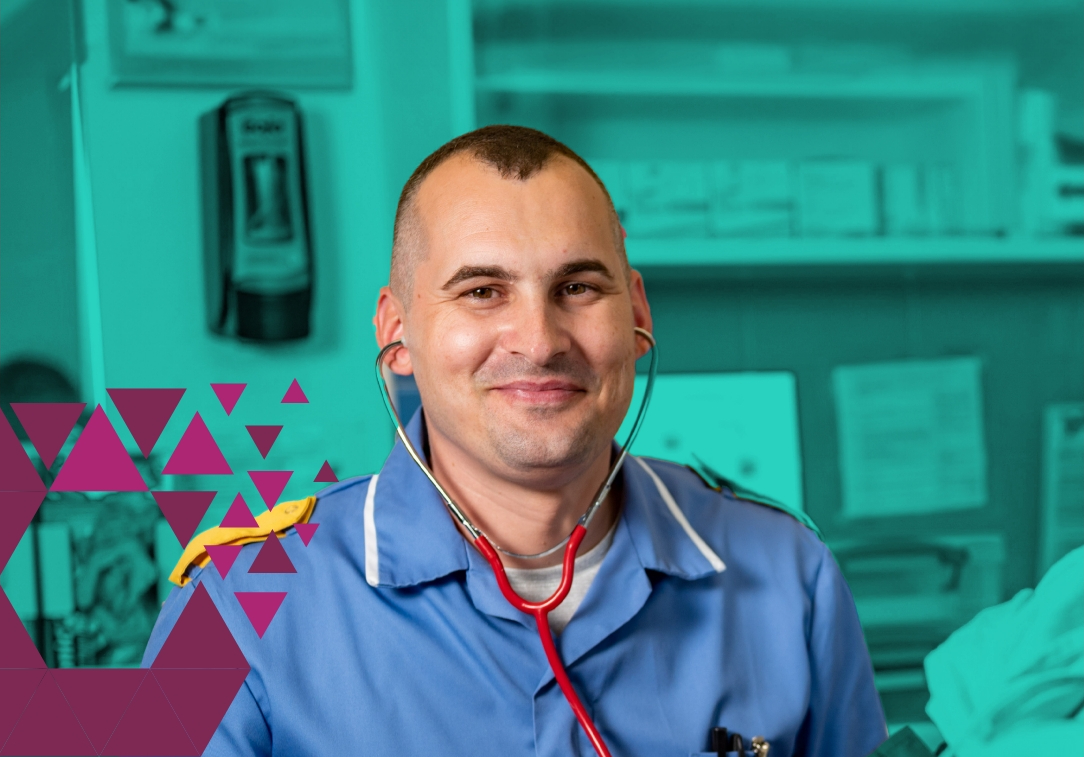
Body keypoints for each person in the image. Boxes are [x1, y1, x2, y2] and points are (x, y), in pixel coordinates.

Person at [143, 125, 887, 756]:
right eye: (482, 291)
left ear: (638, 313)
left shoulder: (789, 572)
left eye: (578, 287)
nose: (538, 340)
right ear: (396, 333)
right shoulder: (231, 602)